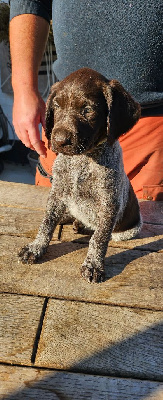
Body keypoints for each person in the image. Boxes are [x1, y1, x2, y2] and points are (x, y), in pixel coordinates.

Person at [9, 1, 163, 200]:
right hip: (64, 114)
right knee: (52, 217)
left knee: (135, 226)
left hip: (148, 126)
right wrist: (23, 90)